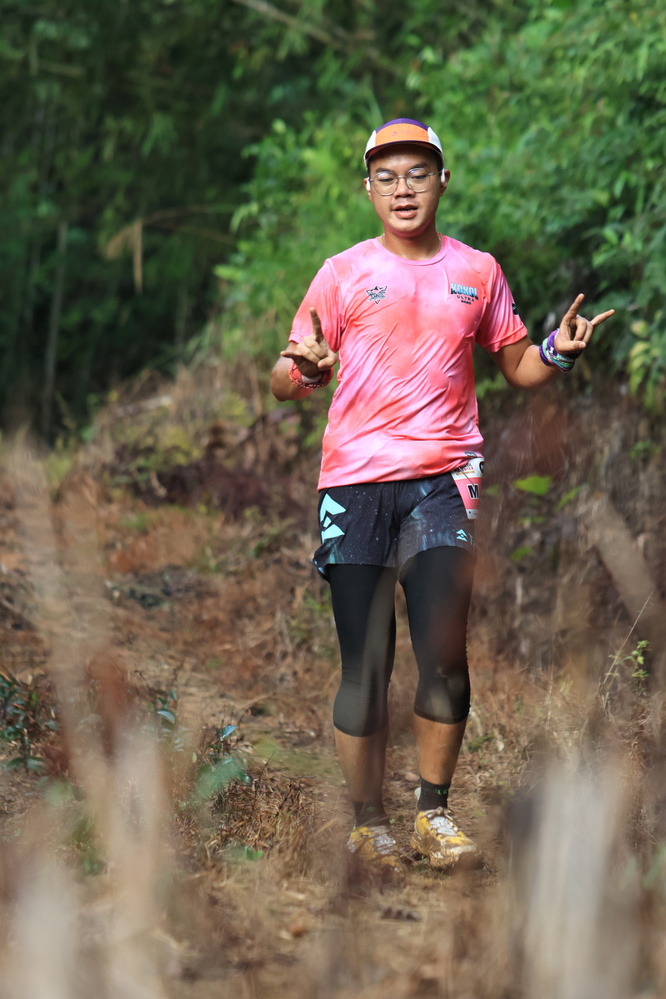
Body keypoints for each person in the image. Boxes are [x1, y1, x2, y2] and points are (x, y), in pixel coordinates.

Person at [270, 118, 614, 874]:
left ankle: (433, 813)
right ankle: (368, 824)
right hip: (355, 486)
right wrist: (307, 369)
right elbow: (284, 376)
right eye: (387, 177)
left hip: (444, 484)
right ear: (368, 188)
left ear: (441, 181)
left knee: (444, 656)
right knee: (366, 664)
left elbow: (517, 364)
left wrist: (557, 351)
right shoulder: (341, 272)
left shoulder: (477, 271)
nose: (402, 189)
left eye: (417, 174)